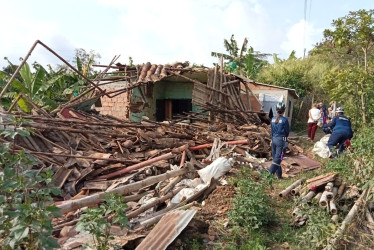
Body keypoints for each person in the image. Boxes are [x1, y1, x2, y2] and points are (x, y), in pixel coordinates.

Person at [269, 102, 289, 179]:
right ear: (284, 110)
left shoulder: (273, 119)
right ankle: (269, 175)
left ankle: (279, 176)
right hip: (281, 140)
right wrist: (285, 142)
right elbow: (287, 132)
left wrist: (272, 138)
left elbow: (271, 131)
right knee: (279, 158)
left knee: (276, 159)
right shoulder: (284, 120)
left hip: (273, 139)